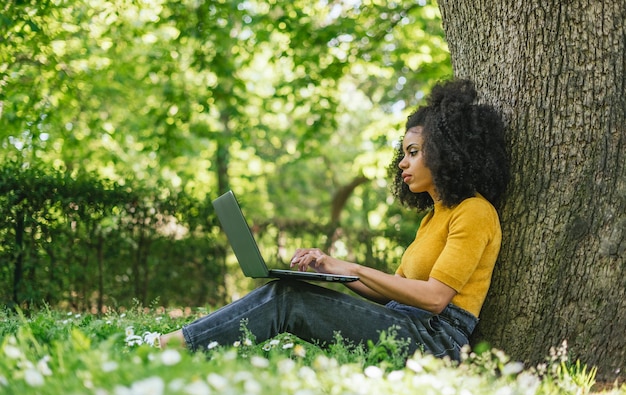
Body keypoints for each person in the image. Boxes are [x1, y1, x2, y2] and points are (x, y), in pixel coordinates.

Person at [159, 78, 509, 362]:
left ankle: (172, 347)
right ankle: (182, 341)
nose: (402, 163)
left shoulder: (475, 212)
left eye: (413, 153)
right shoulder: (434, 217)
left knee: (287, 298)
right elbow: (392, 294)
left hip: (436, 343)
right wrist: (330, 268)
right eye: (403, 153)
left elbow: (434, 299)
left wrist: (353, 268)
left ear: (448, 152)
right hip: (406, 323)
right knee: (289, 290)